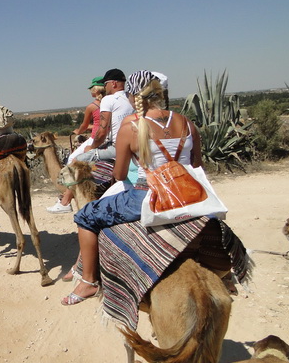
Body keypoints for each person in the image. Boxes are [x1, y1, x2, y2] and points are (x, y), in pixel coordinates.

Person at [60, 70, 202, 305]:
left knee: (85, 216)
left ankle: (88, 281)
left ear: (133, 96)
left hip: (147, 195)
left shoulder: (132, 126)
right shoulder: (187, 122)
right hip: (187, 195)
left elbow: (119, 174)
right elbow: (197, 167)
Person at [46, 77, 105, 214]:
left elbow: (84, 125)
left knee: (72, 161)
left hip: (95, 138)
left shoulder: (92, 106)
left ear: (95, 90)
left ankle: (65, 201)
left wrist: (79, 131)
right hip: (106, 136)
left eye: (91, 89)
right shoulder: (109, 103)